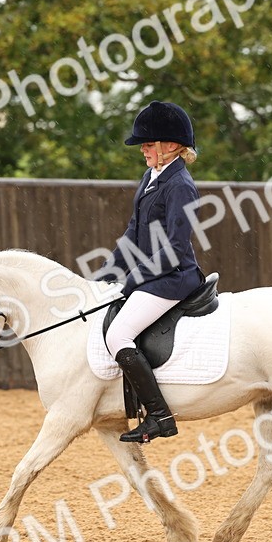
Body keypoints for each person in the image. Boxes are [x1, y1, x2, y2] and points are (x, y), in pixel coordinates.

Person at [102, 100, 204, 444]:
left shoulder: (180, 186)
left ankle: (159, 416)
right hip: (154, 274)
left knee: (118, 336)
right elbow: (134, 230)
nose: (143, 150)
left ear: (171, 146)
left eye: (148, 144)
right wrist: (109, 270)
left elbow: (175, 249)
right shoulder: (151, 176)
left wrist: (132, 281)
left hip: (173, 277)